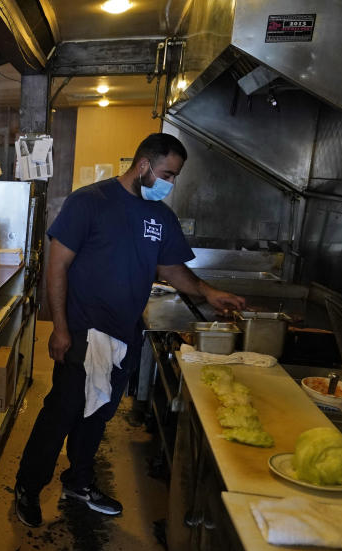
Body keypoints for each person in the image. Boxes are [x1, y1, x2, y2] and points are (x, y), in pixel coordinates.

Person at [14, 133, 245, 527]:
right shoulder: (90, 202)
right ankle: (28, 486)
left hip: (125, 335)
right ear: (143, 166)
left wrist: (208, 292)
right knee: (64, 411)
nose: (171, 183)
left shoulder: (161, 218)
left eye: (175, 177)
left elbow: (170, 268)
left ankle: (79, 481)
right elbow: (57, 267)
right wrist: (60, 329)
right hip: (83, 330)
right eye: (167, 174)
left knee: (99, 412)